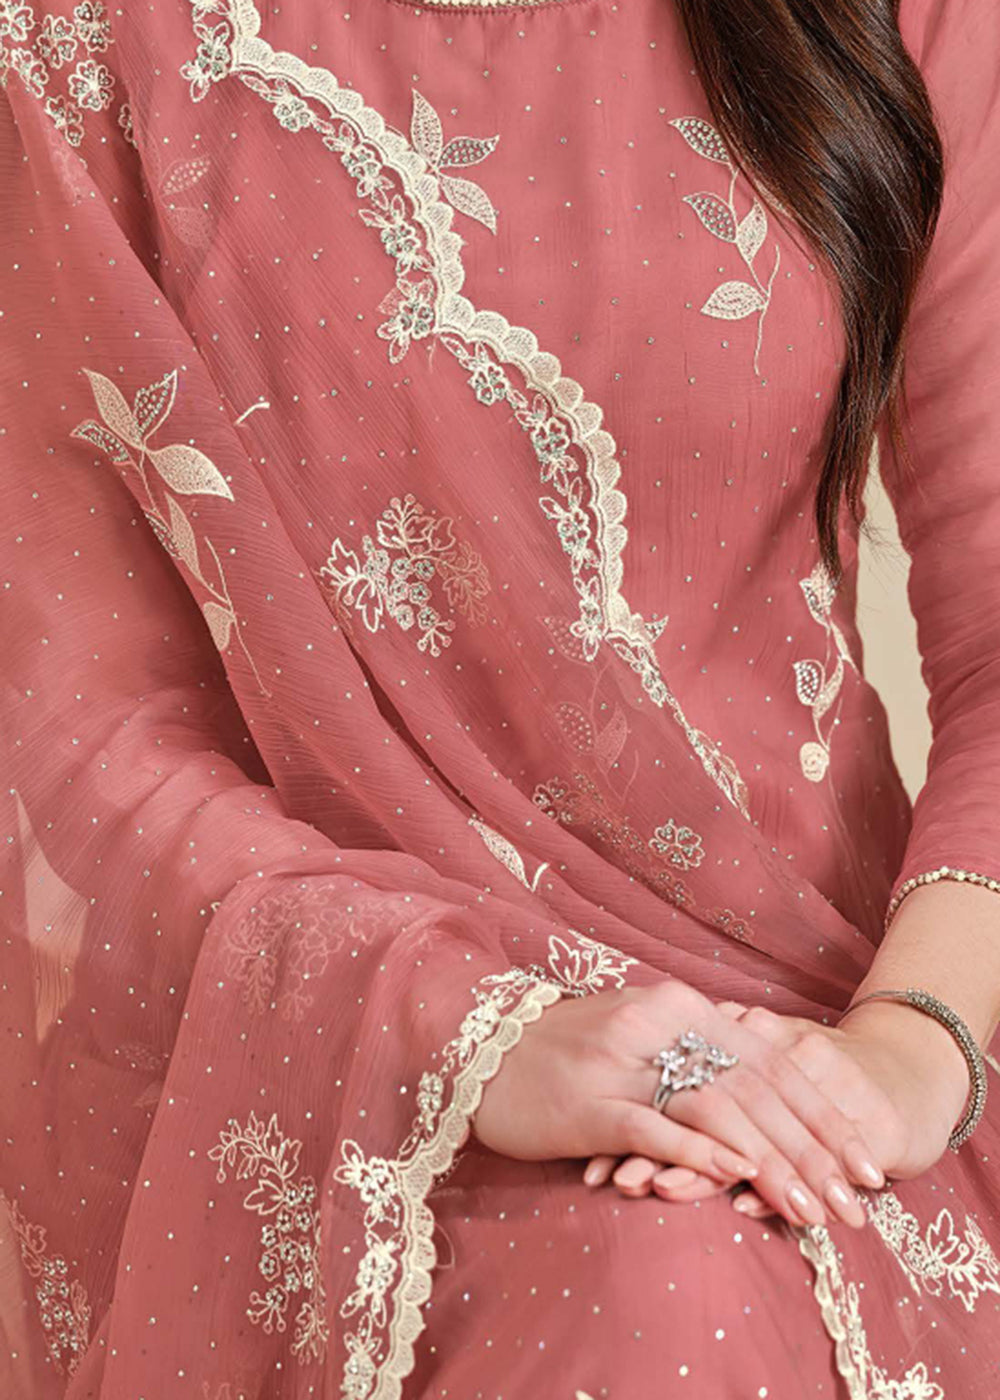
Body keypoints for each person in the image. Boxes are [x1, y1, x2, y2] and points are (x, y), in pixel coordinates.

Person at [2, 0, 999, 1394]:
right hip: (339, 1053)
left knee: (685, 1282)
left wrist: (905, 1059)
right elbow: (70, 721)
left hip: (836, 1036)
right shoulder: (87, 37)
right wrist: (464, 1034)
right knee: (655, 1292)